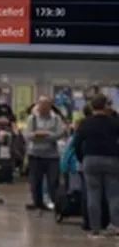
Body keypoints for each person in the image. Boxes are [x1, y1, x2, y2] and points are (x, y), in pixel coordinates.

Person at [72, 94, 119, 237]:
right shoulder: (114, 122)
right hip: (112, 160)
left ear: (92, 106)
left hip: (90, 159)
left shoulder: (85, 123)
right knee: (113, 195)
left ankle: (95, 228)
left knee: (93, 194)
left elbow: (76, 143)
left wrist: (82, 158)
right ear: (106, 106)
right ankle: (116, 225)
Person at [25, 96, 68, 211]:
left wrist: (43, 135)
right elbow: (28, 135)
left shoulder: (56, 118)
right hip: (35, 155)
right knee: (35, 181)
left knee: (53, 181)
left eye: (46, 105)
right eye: (41, 105)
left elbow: (60, 133)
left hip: (52, 155)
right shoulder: (32, 118)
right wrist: (47, 135)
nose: (43, 108)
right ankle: (38, 203)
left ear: (50, 106)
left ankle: (56, 203)